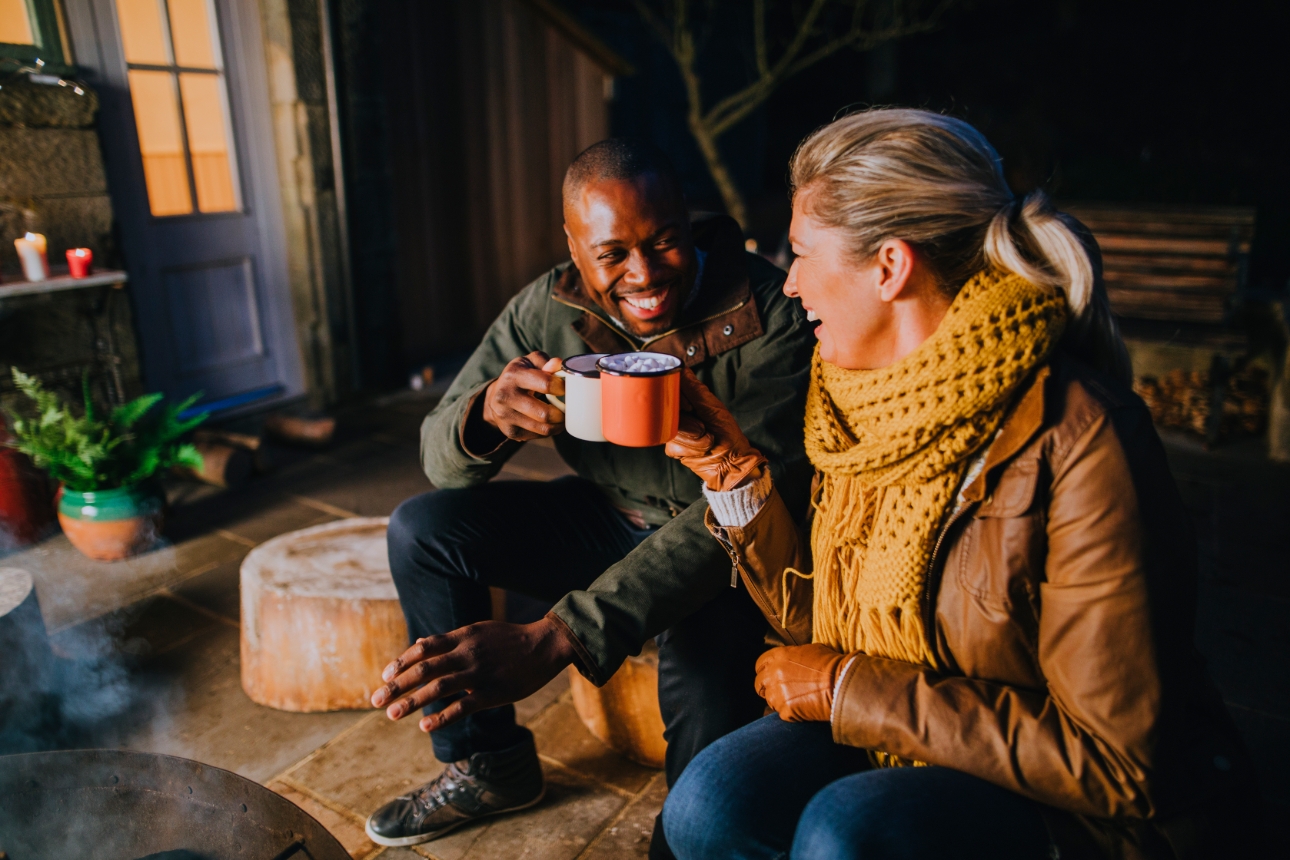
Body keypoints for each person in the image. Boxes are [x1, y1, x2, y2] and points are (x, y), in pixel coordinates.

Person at [659, 109, 1263, 859]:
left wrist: (850, 692)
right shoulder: (857, 401)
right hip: (895, 728)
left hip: (1073, 805)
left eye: (804, 254)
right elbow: (824, 630)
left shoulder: (1083, 440)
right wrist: (731, 472)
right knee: (708, 804)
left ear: (890, 266)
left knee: (847, 834)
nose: (792, 285)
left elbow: (1116, 762)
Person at [364, 138, 816, 853]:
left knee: (706, 699)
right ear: (574, 248)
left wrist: (559, 634)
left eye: (666, 241)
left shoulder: (769, 314)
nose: (644, 274)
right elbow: (437, 456)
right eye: (612, 255)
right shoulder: (544, 310)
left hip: (725, 548)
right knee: (422, 529)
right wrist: (485, 416)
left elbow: (740, 511)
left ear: (688, 221)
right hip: (610, 516)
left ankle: (680, 845)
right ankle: (489, 765)